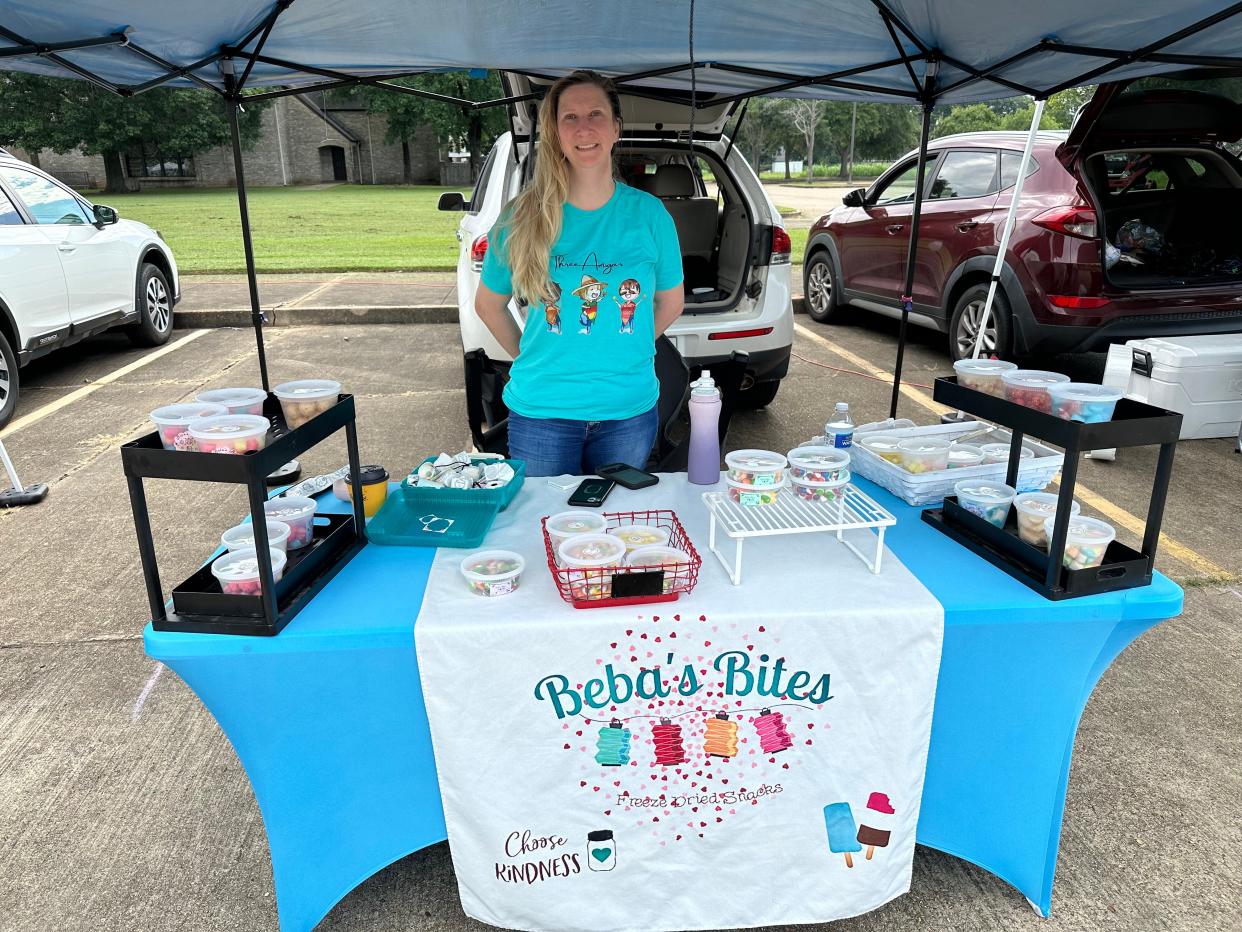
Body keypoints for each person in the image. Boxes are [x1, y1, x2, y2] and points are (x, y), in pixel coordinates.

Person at [474, 70, 685, 477]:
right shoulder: (521, 215)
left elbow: (671, 301)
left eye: (595, 114)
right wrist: (534, 358)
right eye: (569, 117)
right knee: (544, 528)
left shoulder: (649, 215)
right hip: (542, 411)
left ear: (616, 128)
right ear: (554, 131)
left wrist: (623, 346)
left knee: (615, 530)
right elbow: (489, 305)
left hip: (628, 409)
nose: (584, 127)